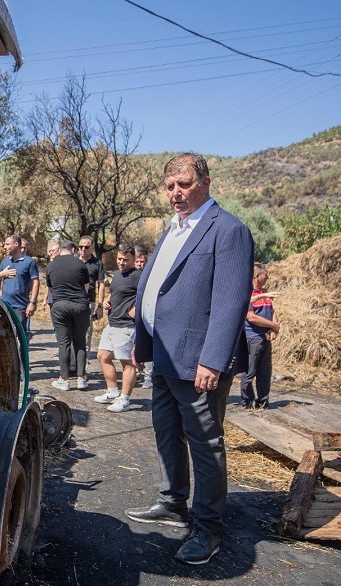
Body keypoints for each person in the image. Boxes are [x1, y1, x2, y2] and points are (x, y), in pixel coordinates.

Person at [126, 153, 254, 566]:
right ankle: (173, 501)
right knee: (166, 433)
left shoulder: (228, 230)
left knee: (205, 444)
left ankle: (208, 526)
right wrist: (140, 341)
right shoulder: (174, 230)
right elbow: (157, 290)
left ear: (206, 183)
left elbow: (231, 301)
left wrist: (213, 360)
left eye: (183, 184)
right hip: (163, 355)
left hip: (197, 360)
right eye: (169, 186)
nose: (175, 193)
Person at [93, 244, 140, 412]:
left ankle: (125, 398)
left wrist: (136, 310)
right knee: (103, 356)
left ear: (133, 260)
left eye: (125, 260)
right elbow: (116, 293)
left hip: (126, 326)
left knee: (127, 363)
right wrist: (108, 301)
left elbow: (150, 296)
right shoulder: (118, 275)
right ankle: (112, 392)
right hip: (112, 323)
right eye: (119, 259)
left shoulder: (138, 276)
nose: (121, 262)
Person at [45, 240, 90, 390]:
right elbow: (86, 287)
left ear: (60, 250)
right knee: (80, 341)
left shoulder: (51, 266)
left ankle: (64, 380)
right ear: (73, 249)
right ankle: (81, 378)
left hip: (60, 305)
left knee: (63, 343)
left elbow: (51, 288)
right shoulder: (80, 264)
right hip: (80, 305)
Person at [239, 263, 280, 410]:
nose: (267, 277)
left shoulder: (265, 295)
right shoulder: (248, 294)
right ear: (257, 276)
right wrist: (272, 325)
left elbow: (273, 311)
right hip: (252, 338)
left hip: (265, 339)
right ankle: (247, 402)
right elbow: (251, 317)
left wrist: (274, 327)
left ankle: (263, 401)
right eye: (265, 275)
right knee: (249, 373)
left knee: (264, 372)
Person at [0, 235, 39, 339]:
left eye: (7, 244)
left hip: (20, 307)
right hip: (4, 305)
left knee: (20, 338)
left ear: (16, 244)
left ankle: (23, 355)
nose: (4, 247)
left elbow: (36, 282)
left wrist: (32, 303)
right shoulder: (6, 261)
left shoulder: (29, 262)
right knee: (5, 336)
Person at [78, 235, 105, 368]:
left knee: (87, 332)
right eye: (80, 247)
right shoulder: (73, 261)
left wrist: (100, 305)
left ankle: (83, 364)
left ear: (92, 248)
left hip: (89, 301)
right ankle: (73, 364)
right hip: (72, 301)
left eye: (86, 247)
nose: (83, 249)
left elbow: (101, 284)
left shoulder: (97, 263)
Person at [134, 244, 153, 389]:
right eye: (137, 262)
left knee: (146, 345)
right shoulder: (130, 275)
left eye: (142, 262)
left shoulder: (151, 275)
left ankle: (148, 376)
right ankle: (135, 372)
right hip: (129, 318)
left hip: (144, 315)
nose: (140, 265)